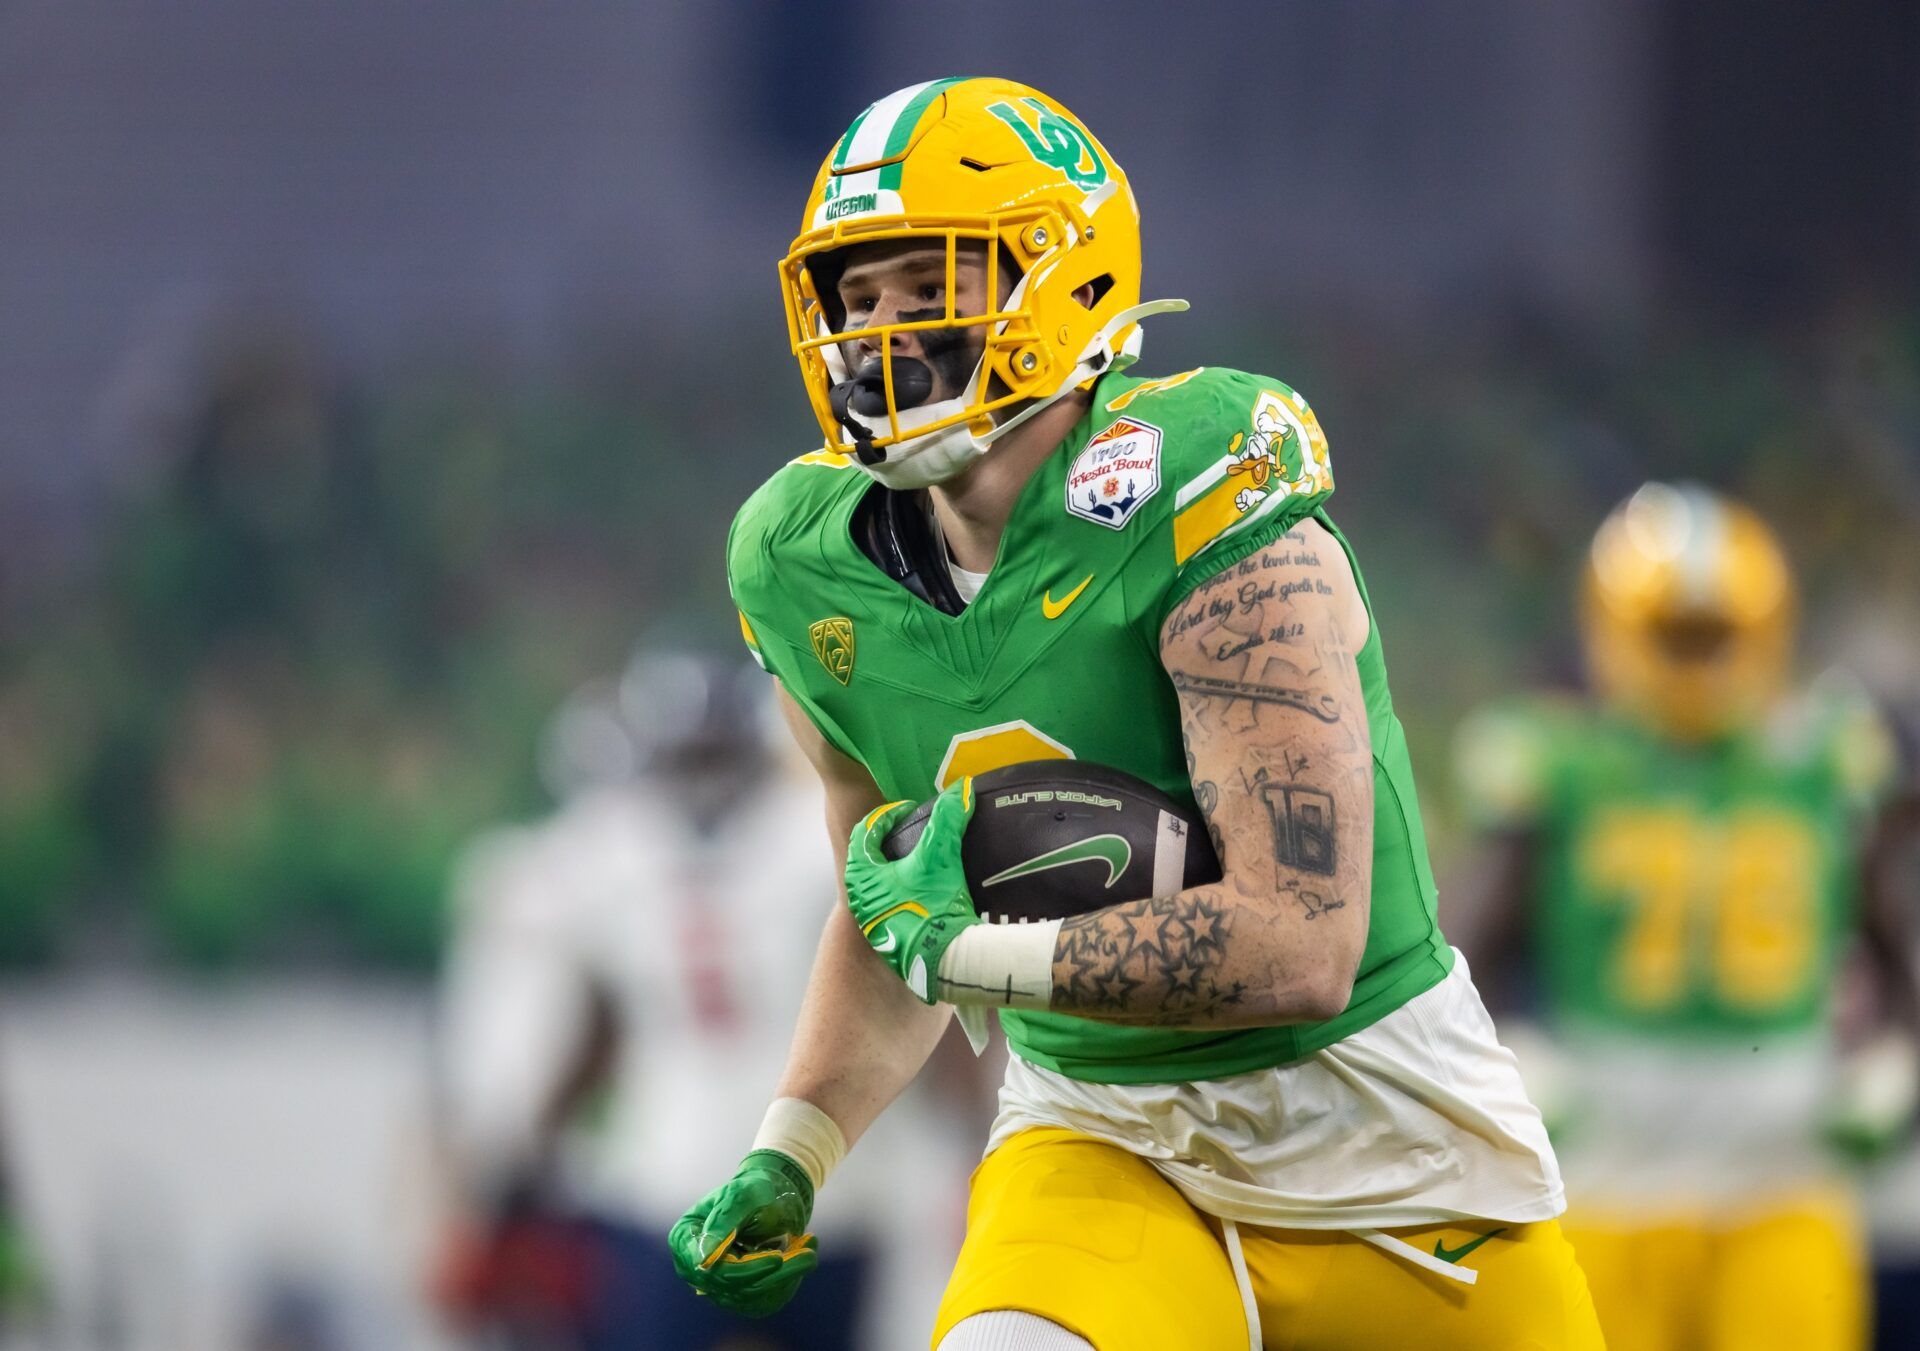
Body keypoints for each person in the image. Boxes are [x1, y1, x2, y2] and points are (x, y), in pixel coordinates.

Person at [668, 77, 1604, 1351]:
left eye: (920, 281)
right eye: (854, 295)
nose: (873, 330)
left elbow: (1297, 943)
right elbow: (889, 892)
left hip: (1389, 1149)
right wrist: (798, 1143)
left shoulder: (1203, 474)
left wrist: (970, 951)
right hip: (1104, 1136)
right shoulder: (799, 557)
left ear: (1058, 278)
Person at [1451, 483, 1920, 1351]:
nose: (1697, 659)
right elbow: (1462, 952)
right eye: (1676, 636)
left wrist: (1895, 1053)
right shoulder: (1560, 763)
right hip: (1612, 1168)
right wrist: (1514, 1060)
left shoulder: (1823, 760)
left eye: (1714, 636)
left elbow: (1893, 941)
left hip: (1783, 1167)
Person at [436, 653, 974, 1350]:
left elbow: (590, 1040)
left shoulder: (610, 847)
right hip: (813, 1178)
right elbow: (921, 998)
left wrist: (515, 1167)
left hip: (689, 1184)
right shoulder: (818, 830)